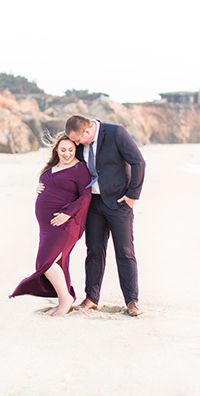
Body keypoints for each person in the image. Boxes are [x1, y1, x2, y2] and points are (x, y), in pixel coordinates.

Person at [65, 115, 146, 317]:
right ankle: (91, 298)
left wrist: (132, 196)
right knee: (94, 251)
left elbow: (138, 162)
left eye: (77, 140)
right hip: (93, 204)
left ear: (87, 131)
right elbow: (66, 163)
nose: (76, 144)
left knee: (125, 251)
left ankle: (132, 301)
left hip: (119, 203)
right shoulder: (80, 140)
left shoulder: (116, 132)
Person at [10, 134, 92, 316]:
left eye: (71, 150)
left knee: (45, 261)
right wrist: (38, 187)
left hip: (66, 224)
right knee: (57, 262)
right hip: (46, 227)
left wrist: (67, 214)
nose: (67, 153)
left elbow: (86, 197)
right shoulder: (52, 167)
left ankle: (65, 299)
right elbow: (50, 184)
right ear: (57, 150)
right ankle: (64, 299)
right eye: (63, 150)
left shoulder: (80, 168)